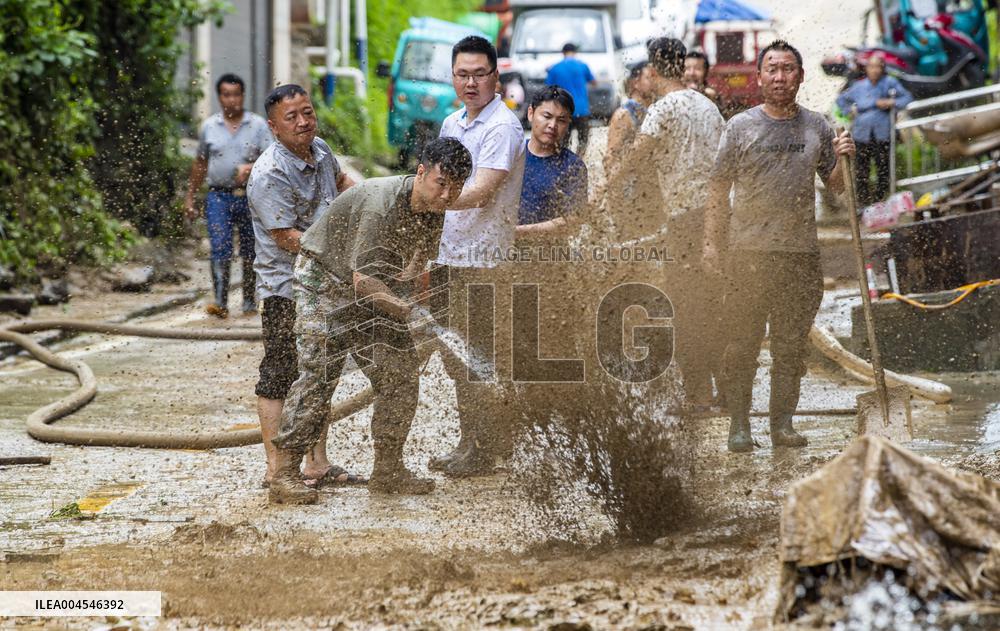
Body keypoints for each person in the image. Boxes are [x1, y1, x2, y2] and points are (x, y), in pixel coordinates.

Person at [266, 138, 474, 504]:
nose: (447, 195)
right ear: (422, 172)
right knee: (318, 374)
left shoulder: (435, 210)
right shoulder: (382, 204)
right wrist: (404, 310)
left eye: (456, 188)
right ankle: (284, 473)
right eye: (442, 183)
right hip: (326, 281)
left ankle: (388, 470)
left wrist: (415, 302)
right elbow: (364, 281)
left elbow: (416, 265)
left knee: (400, 372)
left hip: (374, 286)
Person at [703, 40, 856, 453]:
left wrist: (844, 158)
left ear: (801, 76)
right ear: (759, 77)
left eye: (788, 69)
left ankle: (782, 426)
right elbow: (718, 189)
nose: (780, 77)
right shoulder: (741, 127)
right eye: (772, 69)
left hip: (800, 255)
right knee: (742, 345)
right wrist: (712, 244)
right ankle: (739, 425)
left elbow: (837, 187)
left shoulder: (817, 126)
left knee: (790, 347)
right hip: (747, 255)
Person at [246, 84, 359, 491]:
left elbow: (346, 184)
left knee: (320, 371)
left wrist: (373, 199)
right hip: (286, 288)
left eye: (307, 112)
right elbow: (285, 236)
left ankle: (316, 464)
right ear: (274, 128)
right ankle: (278, 470)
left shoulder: (322, 150)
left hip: (326, 283)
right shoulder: (269, 172)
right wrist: (341, 253)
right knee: (280, 373)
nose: (302, 122)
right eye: (290, 118)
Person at [428, 35, 526, 478]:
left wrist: (427, 201)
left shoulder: (502, 127)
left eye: (479, 74)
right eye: (462, 74)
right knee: (456, 358)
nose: (471, 82)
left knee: (480, 360)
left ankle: (485, 447)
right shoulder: (452, 124)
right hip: (450, 257)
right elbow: (440, 183)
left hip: (485, 260)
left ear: (495, 77)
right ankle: (475, 441)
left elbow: (482, 190)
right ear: (453, 77)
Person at [631, 37, 726, 410]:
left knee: (686, 309)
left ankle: (697, 395)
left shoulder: (662, 109)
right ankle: (727, 391)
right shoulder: (707, 105)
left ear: (653, 72)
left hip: (686, 222)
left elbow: (633, 162)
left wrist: (603, 194)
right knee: (715, 306)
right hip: (719, 216)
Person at [185, 74, 273, 318]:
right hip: (218, 197)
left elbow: (273, 159)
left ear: (243, 96)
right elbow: (200, 163)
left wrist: (251, 166)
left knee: (250, 249)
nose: (231, 100)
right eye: (226, 95)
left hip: (250, 197)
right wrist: (190, 196)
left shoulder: (257, 126)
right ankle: (220, 302)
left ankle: (248, 301)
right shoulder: (209, 127)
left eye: (236, 94)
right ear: (219, 97)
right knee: (219, 246)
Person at [836, 54, 912, 205]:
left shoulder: (890, 82)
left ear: (883, 68)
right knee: (861, 168)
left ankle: (880, 200)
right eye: (871, 66)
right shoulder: (859, 86)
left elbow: (907, 97)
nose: (875, 70)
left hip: (882, 132)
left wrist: (891, 102)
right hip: (861, 133)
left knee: (883, 167)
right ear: (867, 68)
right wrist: (849, 112)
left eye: (878, 66)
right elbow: (841, 100)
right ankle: (863, 202)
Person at [517, 86, 589, 242]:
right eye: (547, 116)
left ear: (569, 124)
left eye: (561, 120)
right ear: (531, 113)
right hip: (501, 253)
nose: (552, 125)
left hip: (550, 256)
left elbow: (573, 221)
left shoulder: (573, 166)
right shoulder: (511, 154)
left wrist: (518, 232)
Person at [604, 61, 656, 185]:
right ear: (635, 83)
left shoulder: (655, 110)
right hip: (629, 184)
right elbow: (611, 156)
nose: (656, 82)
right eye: (650, 78)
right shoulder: (624, 114)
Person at [545, 43, 597, 157]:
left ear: (563, 53)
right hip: (582, 110)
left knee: (563, 141)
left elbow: (548, 89)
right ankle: (579, 160)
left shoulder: (555, 68)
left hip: (563, 111)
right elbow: (594, 83)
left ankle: (564, 162)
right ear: (575, 52)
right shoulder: (583, 66)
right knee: (583, 140)